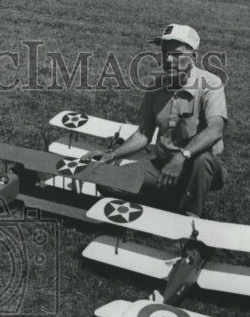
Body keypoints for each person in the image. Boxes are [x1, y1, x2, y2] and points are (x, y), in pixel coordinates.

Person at [88, 23, 227, 217]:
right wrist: (112, 155)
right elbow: (144, 134)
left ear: (193, 57)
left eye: (177, 54)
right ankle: (164, 199)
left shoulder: (211, 84)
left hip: (200, 170)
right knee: (105, 178)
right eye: (165, 53)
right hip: (162, 164)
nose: (169, 60)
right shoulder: (156, 86)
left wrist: (182, 157)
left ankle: (188, 220)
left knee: (201, 160)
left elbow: (215, 130)